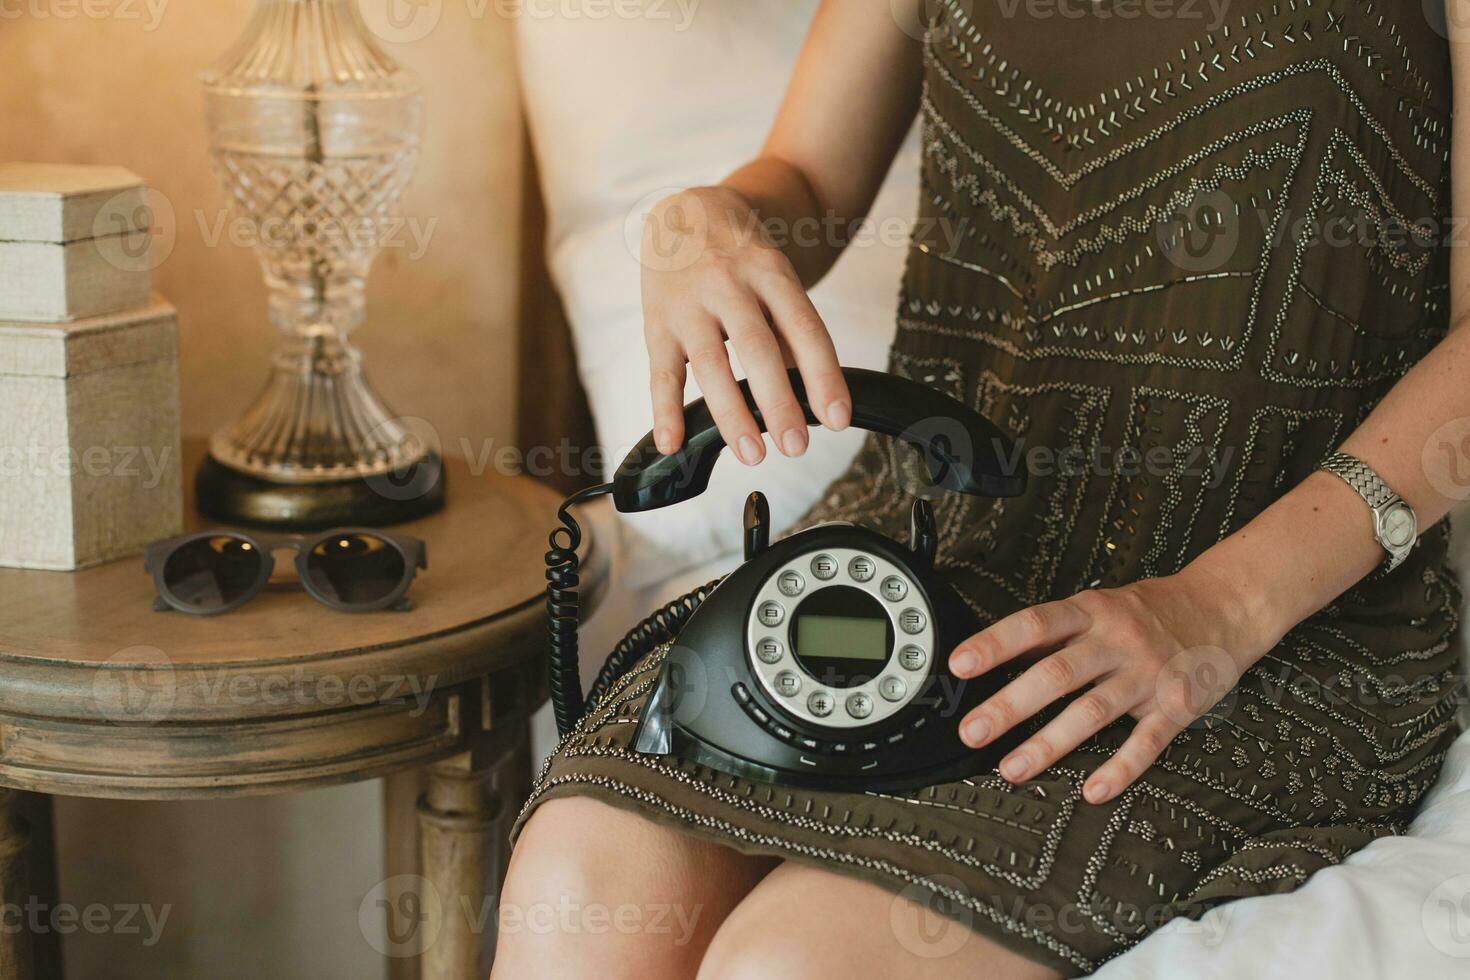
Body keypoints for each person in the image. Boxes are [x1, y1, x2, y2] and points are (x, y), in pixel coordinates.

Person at [493, 1, 1469, 975]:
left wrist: (1220, 603)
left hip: (1271, 612)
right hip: (940, 544)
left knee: (791, 964)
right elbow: (803, 175)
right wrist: (702, 219)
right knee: (575, 889)